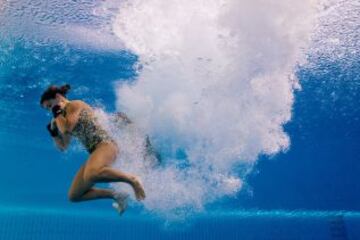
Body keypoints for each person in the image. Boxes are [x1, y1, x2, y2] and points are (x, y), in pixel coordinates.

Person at [40, 84, 146, 214]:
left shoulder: (74, 105)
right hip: (95, 151)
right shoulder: (60, 117)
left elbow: (67, 128)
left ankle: (132, 179)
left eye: (50, 105)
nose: (51, 110)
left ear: (58, 97)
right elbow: (63, 147)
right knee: (74, 196)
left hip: (106, 144)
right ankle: (117, 195)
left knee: (92, 174)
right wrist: (54, 134)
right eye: (48, 109)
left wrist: (57, 114)